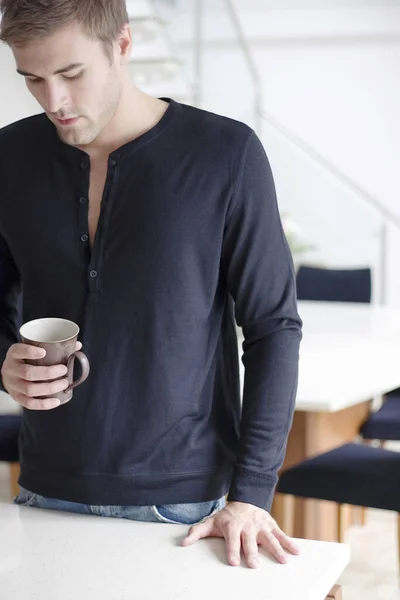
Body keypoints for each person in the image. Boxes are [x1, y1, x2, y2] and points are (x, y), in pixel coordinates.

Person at [0, 0, 302, 570]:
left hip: (185, 509)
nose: (54, 102)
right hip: (43, 490)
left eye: (70, 74)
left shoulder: (225, 154)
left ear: (122, 44)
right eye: (32, 79)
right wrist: (2, 362)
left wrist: (251, 495)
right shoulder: (9, 157)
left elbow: (273, 327)